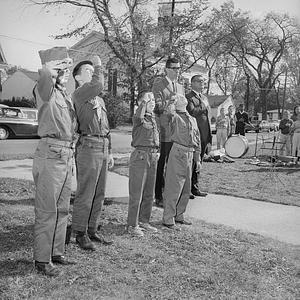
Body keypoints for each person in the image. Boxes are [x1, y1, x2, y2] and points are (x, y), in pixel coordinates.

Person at [32, 46, 77, 277]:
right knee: (47, 209)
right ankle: (42, 259)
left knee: (62, 208)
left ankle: (56, 252)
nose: (68, 71)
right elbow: (44, 78)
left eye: (69, 67)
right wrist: (49, 68)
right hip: (51, 154)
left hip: (65, 153)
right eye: (64, 67)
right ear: (54, 69)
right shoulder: (44, 89)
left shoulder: (62, 94)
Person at [72, 56, 114, 251]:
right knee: (86, 191)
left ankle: (92, 228)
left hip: (103, 144)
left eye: (93, 69)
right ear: (78, 78)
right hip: (88, 145)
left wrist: (110, 151)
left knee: (100, 192)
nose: (92, 72)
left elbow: (106, 126)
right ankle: (80, 232)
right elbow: (99, 83)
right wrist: (98, 64)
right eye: (87, 71)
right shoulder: (80, 94)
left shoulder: (99, 99)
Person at [162, 94, 201, 230]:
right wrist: (171, 101)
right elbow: (168, 113)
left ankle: (179, 215)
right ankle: (168, 218)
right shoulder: (174, 117)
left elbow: (197, 139)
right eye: (179, 97)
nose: (182, 97)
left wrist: (198, 158)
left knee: (186, 187)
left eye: (183, 97)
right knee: (174, 187)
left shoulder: (193, 119)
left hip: (190, 154)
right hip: (178, 152)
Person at [152, 56, 185, 207]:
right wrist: (171, 100)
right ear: (166, 69)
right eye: (174, 68)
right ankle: (158, 195)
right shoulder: (159, 83)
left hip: (176, 132)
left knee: (173, 165)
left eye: (179, 68)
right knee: (161, 164)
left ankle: (170, 194)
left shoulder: (180, 86)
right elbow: (157, 107)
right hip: (163, 131)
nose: (177, 71)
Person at [127, 92, 159, 237]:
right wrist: (144, 103)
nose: (152, 102)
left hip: (152, 156)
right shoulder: (138, 118)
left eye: (153, 100)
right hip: (140, 156)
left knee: (149, 192)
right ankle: (132, 224)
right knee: (137, 193)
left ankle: (144, 220)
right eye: (149, 99)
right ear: (141, 102)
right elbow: (138, 117)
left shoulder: (152, 119)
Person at [186, 75, 210, 197]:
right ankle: (187, 189)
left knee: (198, 163)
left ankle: (195, 188)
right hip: (195, 135)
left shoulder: (204, 97)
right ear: (193, 83)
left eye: (203, 82)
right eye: (200, 82)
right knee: (191, 162)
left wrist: (209, 137)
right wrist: (203, 105)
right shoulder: (189, 97)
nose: (203, 84)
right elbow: (192, 112)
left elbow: (207, 119)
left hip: (204, 135)